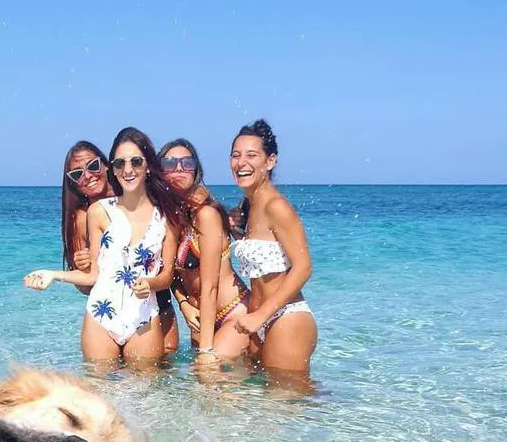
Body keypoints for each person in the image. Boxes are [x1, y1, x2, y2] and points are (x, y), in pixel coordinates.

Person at [26, 127, 184, 363]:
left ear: (148, 165)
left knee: (148, 394)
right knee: (99, 389)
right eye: (120, 163)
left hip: (145, 315)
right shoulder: (97, 212)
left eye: (136, 161)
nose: (128, 169)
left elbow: (167, 275)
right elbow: (93, 277)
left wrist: (151, 284)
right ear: (114, 167)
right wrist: (53, 275)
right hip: (101, 315)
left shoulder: (166, 215)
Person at [60, 140, 180, 352]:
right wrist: (86, 267)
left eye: (93, 166)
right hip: (110, 311)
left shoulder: (145, 197)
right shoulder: (81, 217)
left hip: (155, 303)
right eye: (77, 175)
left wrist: (185, 304)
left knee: (162, 376)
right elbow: (87, 285)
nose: (87, 176)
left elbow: (170, 261)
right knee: (102, 381)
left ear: (108, 165)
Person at [230, 119, 317, 379]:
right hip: (259, 319)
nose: (241, 163)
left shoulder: (276, 206)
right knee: (265, 410)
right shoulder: (249, 205)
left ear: (270, 161)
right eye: (235, 155)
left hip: (286, 317)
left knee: (287, 402)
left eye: (251, 155)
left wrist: (261, 316)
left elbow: (303, 267)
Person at [158, 138, 250, 363]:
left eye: (186, 162)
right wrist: (184, 305)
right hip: (200, 318)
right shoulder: (173, 217)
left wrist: (206, 349)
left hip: (233, 313)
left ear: (196, 169)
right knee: (206, 392)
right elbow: (172, 275)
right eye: (170, 163)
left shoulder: (206, 215)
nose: (179, 168)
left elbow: (210, 286)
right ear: (160, 172)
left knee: (206, 372)